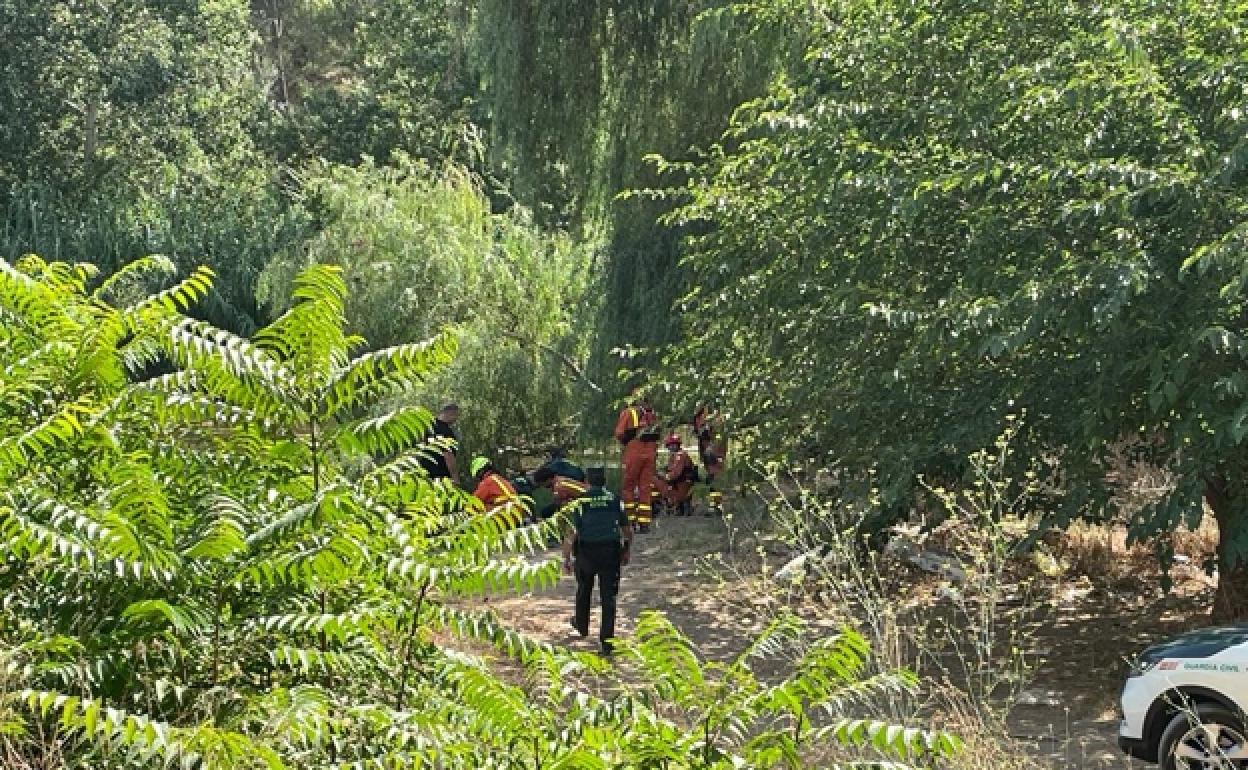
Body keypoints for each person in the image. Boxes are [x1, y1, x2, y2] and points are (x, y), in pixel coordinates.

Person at [562, 467, 632, 656]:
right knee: (608, 597)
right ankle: (607, 642)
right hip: (610, 551)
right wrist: (626, 550)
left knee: (584, 589)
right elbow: (627, 530)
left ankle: (582, 625)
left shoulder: (580, 502)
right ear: (604, 480)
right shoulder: (615, 500)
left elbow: (571, 533)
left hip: (586, 552)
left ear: (588, 481)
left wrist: (566, 558)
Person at [614, 394, 659, 532]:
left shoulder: (628, 412)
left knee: (628, 487)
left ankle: (630, 521)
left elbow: (619, 433)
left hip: (634, 450)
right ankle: (644, 523)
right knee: (645, 487)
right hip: (650, 451)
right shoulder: (652, 415)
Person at [470, 456, 522, 521]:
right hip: (516, 513)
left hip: (506, 515)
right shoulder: (499, 479)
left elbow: (474, 502)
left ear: (480, 472)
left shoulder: (487, 482)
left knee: (479, 508)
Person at [419, 403, 461, 483]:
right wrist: (456, 478)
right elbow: (448, 456)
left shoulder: (428, 427)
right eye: (456, 415)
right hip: (440, 478)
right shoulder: (446, 432)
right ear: (450, 413)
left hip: (424, 475)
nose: (456, 419)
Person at [660, 434, 696, 516]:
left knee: (656, 481)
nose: (671, 447)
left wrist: (663, 476)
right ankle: (678, 506)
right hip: (680, 483)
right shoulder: (674, 456)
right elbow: (669, 469)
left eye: (673, 445)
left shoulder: (680, 456)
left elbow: (675, 474)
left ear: (678, 445)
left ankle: (674, 504)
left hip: (682, 484)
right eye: (670, 445)